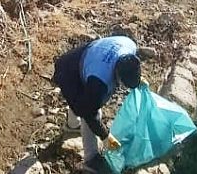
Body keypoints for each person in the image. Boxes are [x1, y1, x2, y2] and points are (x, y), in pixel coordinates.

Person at [52, 36, 143, 171]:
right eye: (124, 84)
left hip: (85, 57)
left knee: (84, 99)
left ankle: (72, 126)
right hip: (67, 71)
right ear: (117, 73)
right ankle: (91, 158)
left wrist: (139, 81)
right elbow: (89, 113)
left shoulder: (129, 45)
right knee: (88, 108)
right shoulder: (99, 81)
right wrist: (105, 136)